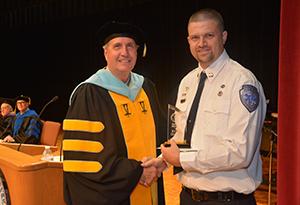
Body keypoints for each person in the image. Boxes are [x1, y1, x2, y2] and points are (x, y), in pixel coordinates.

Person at [160, 8, 266, 205]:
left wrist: (182, 160)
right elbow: (183, 137)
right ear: (188, 41)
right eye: (195, 37)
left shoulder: (242, 82)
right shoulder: (188, 82)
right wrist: (162, 160)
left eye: (209, 35)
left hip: (227, 200)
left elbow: (240, 152)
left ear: (223, 37)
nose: (201, 44)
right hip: (187, 197)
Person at [62, 21, 166, 205]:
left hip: (151, 190)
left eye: (130, 46)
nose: (124, 52)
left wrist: (160, 161)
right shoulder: (90, 93)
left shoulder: (147, 88)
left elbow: (162, 134)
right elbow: (87, 159)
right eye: (117, 46)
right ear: (106, 52)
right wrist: (137, 172)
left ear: (137, 52)